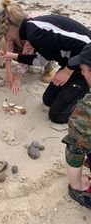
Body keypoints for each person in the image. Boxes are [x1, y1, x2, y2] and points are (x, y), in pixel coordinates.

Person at [0, 1, 91, 123]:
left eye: (5, 32)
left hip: (85, 65)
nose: (7, 36)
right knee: (48, 100)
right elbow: (39, 60)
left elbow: (87, 44)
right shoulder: (32, 30)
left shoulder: (35, 33)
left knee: (56, 116)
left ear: (10, 28)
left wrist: (67, 71)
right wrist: (12, 55)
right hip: (71, 63)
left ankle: (85, 99)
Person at [0, 0, 56, 93]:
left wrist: (17, 79)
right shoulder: (10, 26)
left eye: (8, 33)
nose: (7, 35)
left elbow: (26, 52)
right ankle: (27, 65)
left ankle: (49, 69)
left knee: (45, 53)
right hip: (21, 41)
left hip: (45, 45)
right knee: (12, 49)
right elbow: (8, 50)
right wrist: (8, 73)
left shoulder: (31, 31)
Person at [61, 44, 91, 208]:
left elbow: (75, 148)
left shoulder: (86, 110)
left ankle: (79, 190)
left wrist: (77, 184)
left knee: (77, 145)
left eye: (84, 69)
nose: (82, 72)